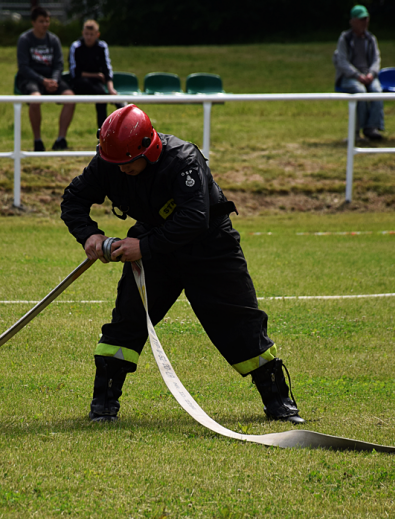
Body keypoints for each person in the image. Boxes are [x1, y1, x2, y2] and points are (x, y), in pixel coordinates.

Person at [60, 105, 304, 425]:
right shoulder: (111, 160)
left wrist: (142, 247)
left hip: (210, 247)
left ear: (149, 149)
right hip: (153, 248)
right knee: (127, 321)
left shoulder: (184, 160)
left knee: (239, 324)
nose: (120, 171)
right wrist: (89, 236)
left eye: (127, 164)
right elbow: (73, 200)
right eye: (114, 164)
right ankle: (103, 404)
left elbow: (194, 219)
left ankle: (278, 401)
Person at [16, 6, 75, 151]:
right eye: (41, 21)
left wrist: (54, 80)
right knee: (35, 100)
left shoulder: (54, 40)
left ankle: (61, 140)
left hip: (52, 79)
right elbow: (23, 67)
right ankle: (38, 141)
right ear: (33, 22)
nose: (45, 25)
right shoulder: (25, 39)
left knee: (71, 98)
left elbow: (59, 64)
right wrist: (42, 80)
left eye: (47, 21)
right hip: (31, 79)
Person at [333, 4, 385, 141]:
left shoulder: (370, 39)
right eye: (361, 19)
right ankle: (357, 131)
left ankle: (372, 128)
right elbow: (342, 62)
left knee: (377, 91)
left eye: (366, 19)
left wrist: (371, 74)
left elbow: (376, 59)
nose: (365, 22)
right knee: (360, 92)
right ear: (352, 21)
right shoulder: (345, 38)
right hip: (349, 77)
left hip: (368, 76)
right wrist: (357, 76)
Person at [69, 19, 119, 130]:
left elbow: (107, 69)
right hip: (79, 83)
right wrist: (96, 75)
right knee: (100, 94)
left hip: (96, 85)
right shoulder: (76, 46)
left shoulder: (102, 46)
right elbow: (75, 73)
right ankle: (114, 103)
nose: (89, 37)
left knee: (101, 98)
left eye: (92, 34)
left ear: (97, 34)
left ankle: (103, 133)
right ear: (83, 33)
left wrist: (111, 89)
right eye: (86, 34)